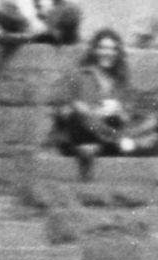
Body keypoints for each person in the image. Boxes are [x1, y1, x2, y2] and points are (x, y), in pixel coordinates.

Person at [50, 28, 149, 163]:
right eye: (103, 48)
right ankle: (86, 148)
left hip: (108, 135)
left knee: (134, 130)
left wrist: (119, 110)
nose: (108, 53)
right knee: (77, 118)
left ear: (117, 53)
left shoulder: (121, 83)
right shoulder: (78, 75)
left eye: (113, 49)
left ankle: (97, 148)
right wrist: (81, 108)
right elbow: (61, 113)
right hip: (81, 132)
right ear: (95, 50)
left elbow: (128, 118)